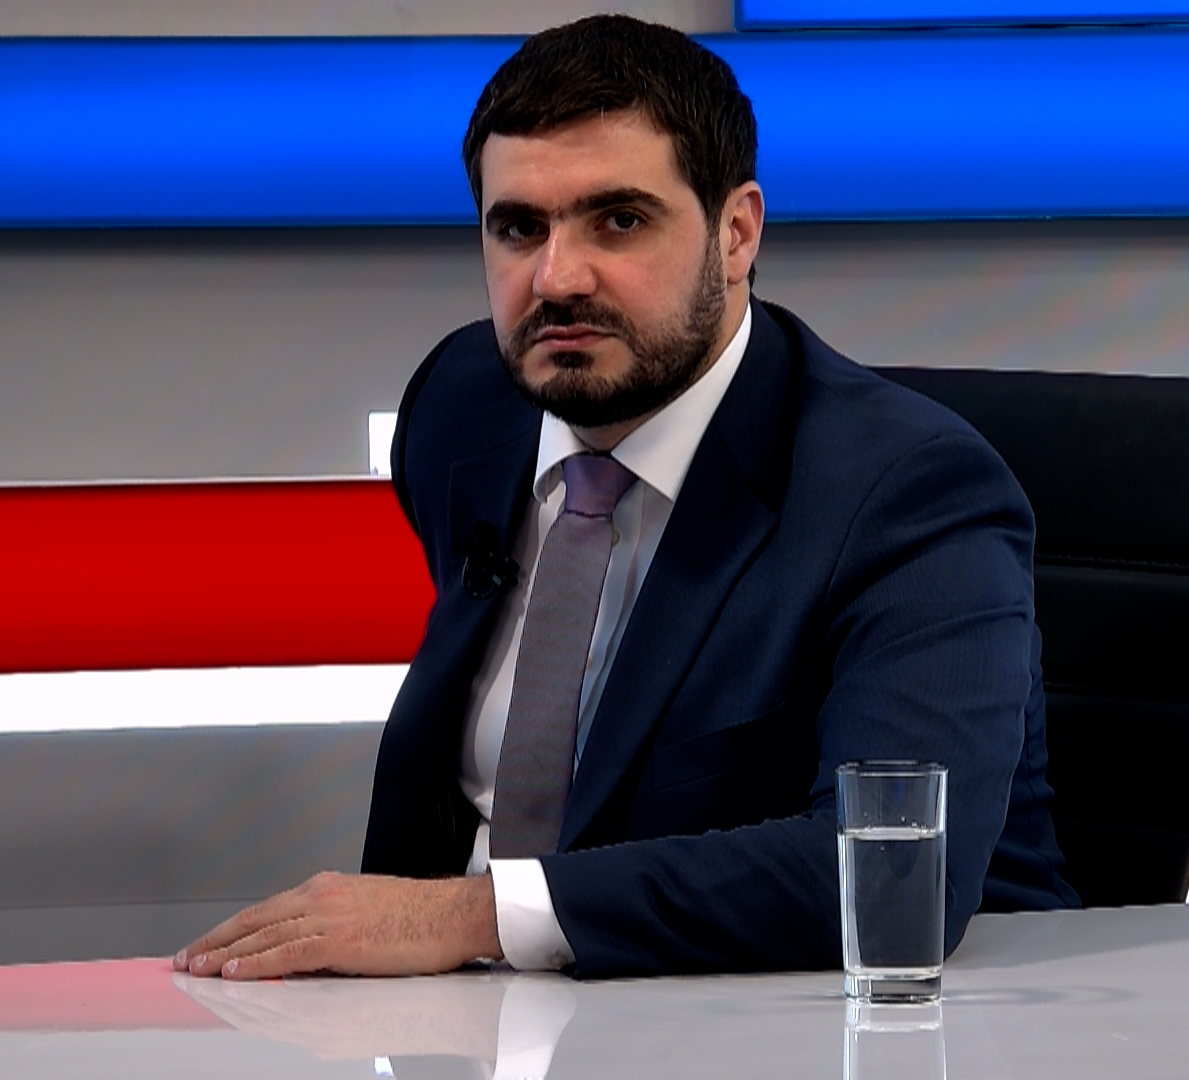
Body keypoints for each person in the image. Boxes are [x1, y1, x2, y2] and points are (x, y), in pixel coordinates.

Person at [176, 13, 1076, 982]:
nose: (557, 279)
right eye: (519, 228)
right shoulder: (462, 408)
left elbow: (888, 875)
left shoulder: (911, 490)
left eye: (619, 221)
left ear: (736, 234)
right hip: (467, 1018)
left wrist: (474, 916)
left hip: (853, 1023)